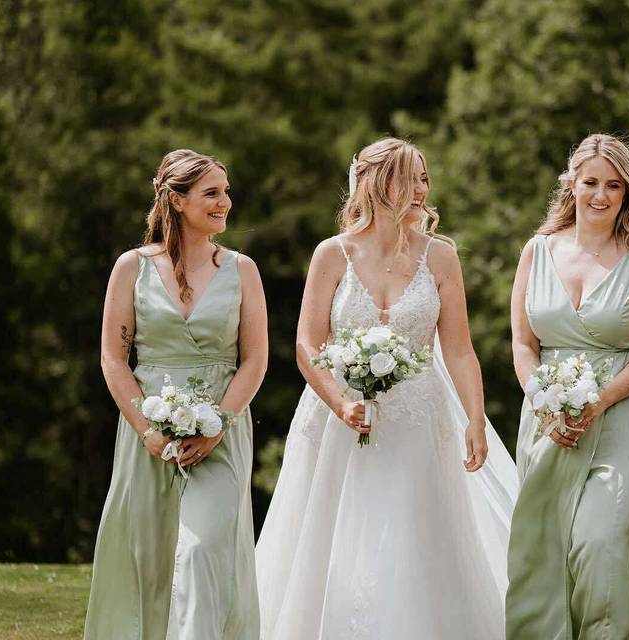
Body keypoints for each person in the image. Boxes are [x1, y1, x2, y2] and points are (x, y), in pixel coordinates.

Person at [254, 138, 518, 639]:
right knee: (334, 538)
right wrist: (340, 402)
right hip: (338, 420)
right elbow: (307, 344)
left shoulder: (441, 256)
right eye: (409, 178)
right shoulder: (332, 254)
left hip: (418, 422)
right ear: (375, 183)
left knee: (411, 534)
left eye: (424, 178)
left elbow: (460, 350)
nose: (421, 189)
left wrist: (476, 419)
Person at [506, 133, 629, 639]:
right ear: (571, 184)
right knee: (548, 541)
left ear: (628, 191)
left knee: (601, 538)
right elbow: (523, 344)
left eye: (614, 185)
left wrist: (601, 400)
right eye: (591, 182)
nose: (601, 195)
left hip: (625, 408)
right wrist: (542, 401)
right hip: (549, 413)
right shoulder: (537, 250)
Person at [84, 149, 267, 639]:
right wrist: (146, 430)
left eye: (226, 191)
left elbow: (255, 360)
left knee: (204, 550)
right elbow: (113, 359)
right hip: (147, 431)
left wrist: (220, 424)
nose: (225, 202)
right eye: (212, 193)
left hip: (221, 431)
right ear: (178, 200)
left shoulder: (242, 269)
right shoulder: (132, 267)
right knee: (151, 560)